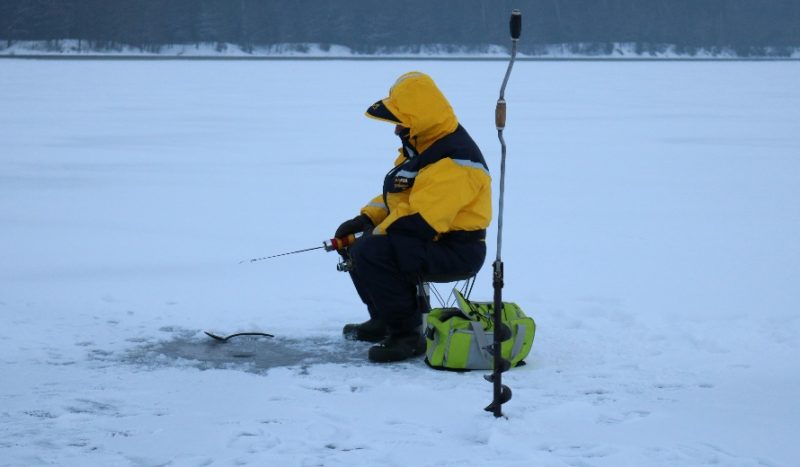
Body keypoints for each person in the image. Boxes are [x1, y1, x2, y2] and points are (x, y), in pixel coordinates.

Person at [335, 71, 492, 363]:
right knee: (361, 245)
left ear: (418, 119)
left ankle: (408, 335)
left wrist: (371, 236)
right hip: (430, 241)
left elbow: (419, 220)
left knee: (371, 250)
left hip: (456, 250)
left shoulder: (455, 160)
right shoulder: (425, 146)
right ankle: (383, 319)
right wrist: (366, 219)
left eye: (400, 124)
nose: (396, 131)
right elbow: (400, 196)